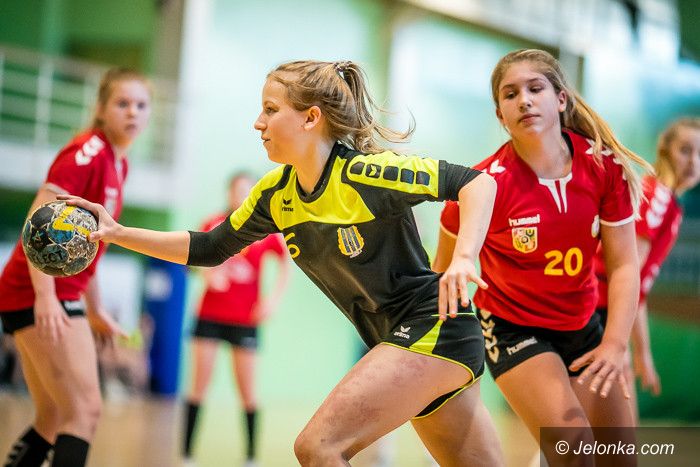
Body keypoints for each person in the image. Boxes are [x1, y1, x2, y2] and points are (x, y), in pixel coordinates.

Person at [60, 59, 505, 467]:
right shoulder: (276, 195)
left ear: (311, 118)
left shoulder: (368, 173)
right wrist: (117, 232)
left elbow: (476, 183)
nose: (258, 122)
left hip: (434, 327)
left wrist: (463, 258)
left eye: (271, 110)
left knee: (318, 447)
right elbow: (209, 247)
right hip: (396, 337)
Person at [433, 49, 653, 466]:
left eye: (536, 89)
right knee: (575, 451)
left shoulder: (602, 166)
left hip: (582, 324)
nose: (525, 101)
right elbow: (441, 274)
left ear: (561, 99)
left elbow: (625, 265)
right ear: (500, 114)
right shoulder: (483, 186)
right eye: (510, 94)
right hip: (513, 327)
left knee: (621, 458)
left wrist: (615, 343)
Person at [0, 68, 151, 467]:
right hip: (37, 291)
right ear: (101, 108)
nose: (132, 112)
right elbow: (38, 223)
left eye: (141, 105)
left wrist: (96, 309)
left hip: (47, 292)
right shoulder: (87, 153)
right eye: (122, 103)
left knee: (53, 417)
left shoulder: (119, 164)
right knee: (84, 412)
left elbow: (87, 249)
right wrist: (46, 297)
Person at [594, 117, 700, 416]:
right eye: (685, 150)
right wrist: (627, 346)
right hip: (596, 313)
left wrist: (642, 352)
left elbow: (635, 287)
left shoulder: (667, 202)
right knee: (615, 426)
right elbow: (627, 278)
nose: (693, 162)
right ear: (664, 150)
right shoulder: (657, 197)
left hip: (604, 313)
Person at [183, 172, 290, 466]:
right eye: (237, 189)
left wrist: (273, 300)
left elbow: (286, 263)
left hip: (246, 320)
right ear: (229, 193)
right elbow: (190, 261)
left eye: (247, 189)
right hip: (209, 316)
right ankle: (187, 456)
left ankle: (251, 457)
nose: (241, 194)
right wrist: (206, 274)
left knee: (248, 392)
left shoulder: (264, 229)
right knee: (198, 387)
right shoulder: (213, 223)